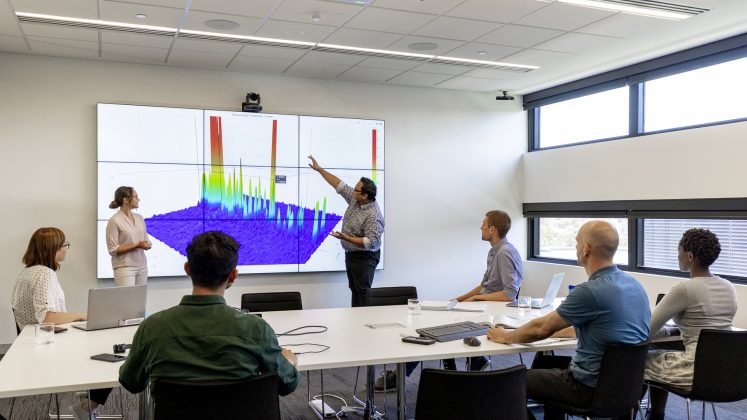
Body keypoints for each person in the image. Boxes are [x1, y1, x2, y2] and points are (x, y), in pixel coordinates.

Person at [487, 220, 650, 420]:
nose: (575, 247)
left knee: (510, 382)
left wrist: (505, 336)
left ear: (586, 249)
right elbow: (602, 330)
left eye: (576, 242)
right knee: (544, 363)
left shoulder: (589, 291)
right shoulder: (635, 286)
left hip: (586, 388)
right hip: (625, 387)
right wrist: (556, 333)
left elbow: (540, 329)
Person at [119, 231, 300, 401]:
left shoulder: (152, 327)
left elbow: (131, 382)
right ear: (233, 276)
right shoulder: (257, 329)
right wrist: (288, 360)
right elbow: (287, 384)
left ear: (187, 269)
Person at [375, 210, 524, 391]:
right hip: (483, 306)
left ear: (492, 229)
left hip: (490, 311)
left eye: (484, 225)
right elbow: (484, 285)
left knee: (434, 328)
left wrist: (476, 298)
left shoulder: (504, 253)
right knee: (437, 325)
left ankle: (404, 375)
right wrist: (457, 299)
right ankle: (466, 364)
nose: (481, 227)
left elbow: (509, 294)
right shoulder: (495, 251)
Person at [10, 227, 110, 419]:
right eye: (65, 245)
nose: (67, 249)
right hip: (49, 348)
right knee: (111, 353)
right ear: (53, 249)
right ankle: (88, 405)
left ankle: (89, 392)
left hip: (32, 345)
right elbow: (48, 318)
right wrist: (81, 316)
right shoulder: (44, 274)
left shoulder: (25, 273)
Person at [644, 228, 737, 420]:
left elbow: (645, 331)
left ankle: (638, 415)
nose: (677, 255)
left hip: (694, 372)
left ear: (690, 256)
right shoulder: (729, 287)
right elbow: (708, 327)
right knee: (661, 355)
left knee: (639, 359)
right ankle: (656, 415)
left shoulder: (684, 289)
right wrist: (674, 330)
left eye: (679, 251)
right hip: (728, 371)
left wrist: (667, 332)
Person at [308, 155, 384, 307]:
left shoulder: (373, 216)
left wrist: (346, 238)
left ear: (365, 195)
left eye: (356, 190)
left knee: (362, 292)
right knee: (355, 290)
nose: (352, 191)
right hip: (351, 254)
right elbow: (339, 184)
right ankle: (356, 318)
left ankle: (363, 320)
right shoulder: (356, 198)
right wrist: (319, 169)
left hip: (365, 257)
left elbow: (369, 242)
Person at [106, 186, 151, 286]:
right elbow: (113, 249)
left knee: (140, 296)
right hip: (124, 267)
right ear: (125, 200)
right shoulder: (114, 220)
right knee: (126, 296)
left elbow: (145, 239)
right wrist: (137, 245)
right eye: (136, 197)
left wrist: (147, 244)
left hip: (142, 266)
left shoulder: (140, 218)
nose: (138, 199)